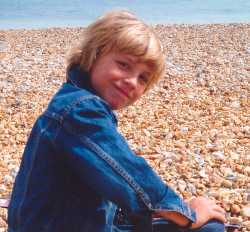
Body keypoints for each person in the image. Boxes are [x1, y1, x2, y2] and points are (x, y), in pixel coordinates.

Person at [8, 10, 226, 232]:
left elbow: (110, 187)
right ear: (93, 55)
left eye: (143, 78)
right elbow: (129, 176)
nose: (132, 81)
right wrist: (186, 214)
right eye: (124, 65)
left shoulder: (73, 101)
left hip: (76, 222)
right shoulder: (80, 111)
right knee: (210, 228)